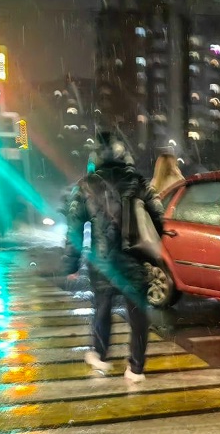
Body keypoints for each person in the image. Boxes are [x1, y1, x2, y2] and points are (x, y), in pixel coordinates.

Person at [63, 132, 164, 383]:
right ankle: (136, 368)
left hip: (103, 262)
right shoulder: (138, 182)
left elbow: (74, 229)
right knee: (138, 315)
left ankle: (100, 355)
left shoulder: (85, 185)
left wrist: (71, 263)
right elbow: (159, 217)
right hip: (133, 261)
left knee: (102, 309)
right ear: (124, 157)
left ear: (95, 160)